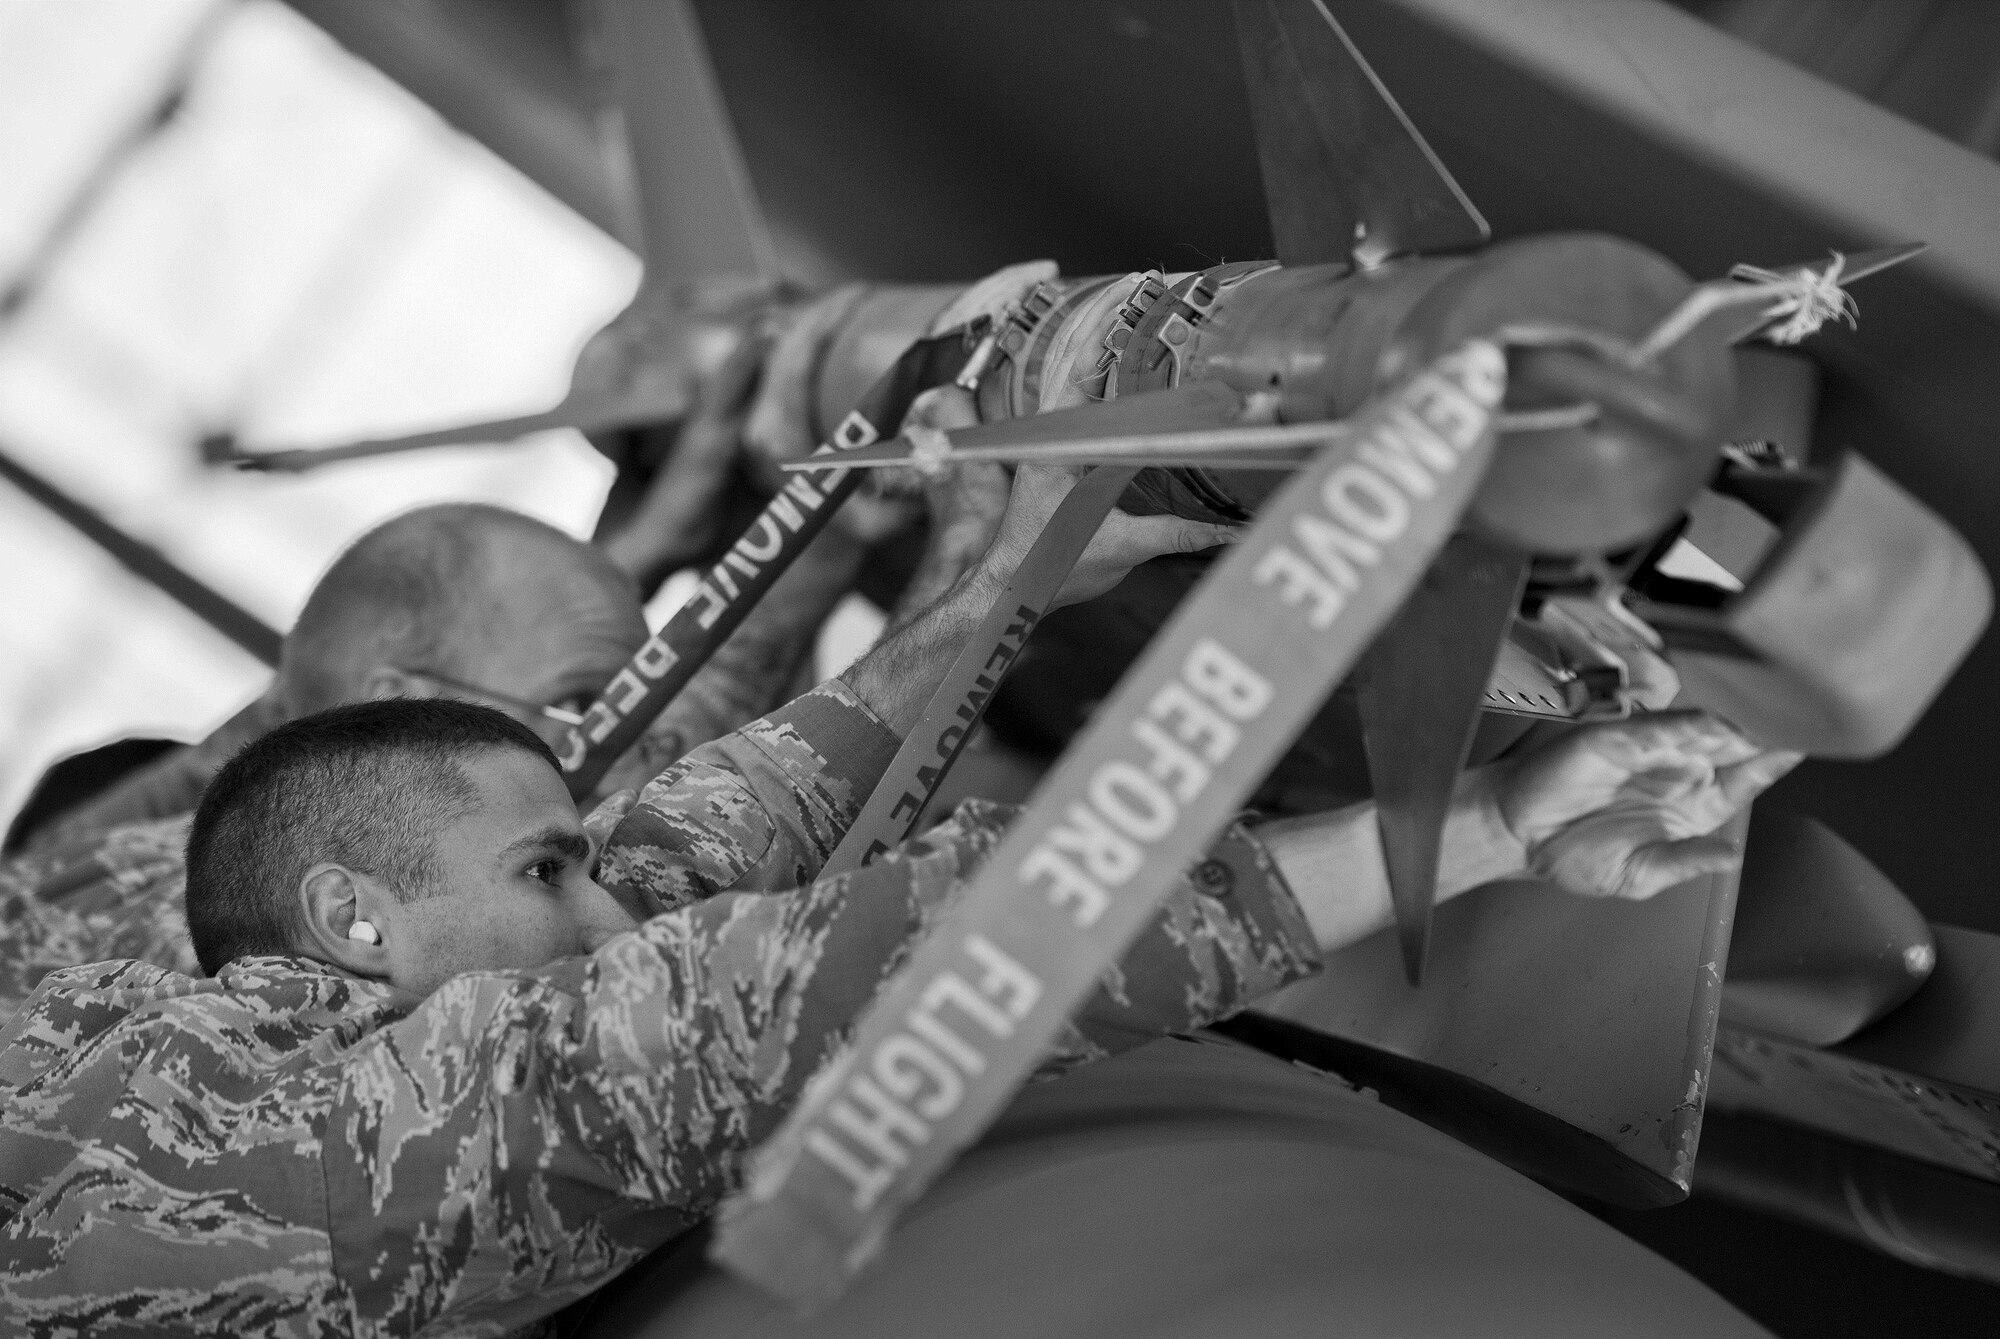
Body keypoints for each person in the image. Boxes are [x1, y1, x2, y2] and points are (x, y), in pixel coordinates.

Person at [0, 448, 1794, 1334]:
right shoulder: (288, 1163)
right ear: (344, 923)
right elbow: (754, 1002)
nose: (617, 911)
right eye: (555, 865)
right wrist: (1489, 828)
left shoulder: (222, 979)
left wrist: (1000, 582)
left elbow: (666, 845)